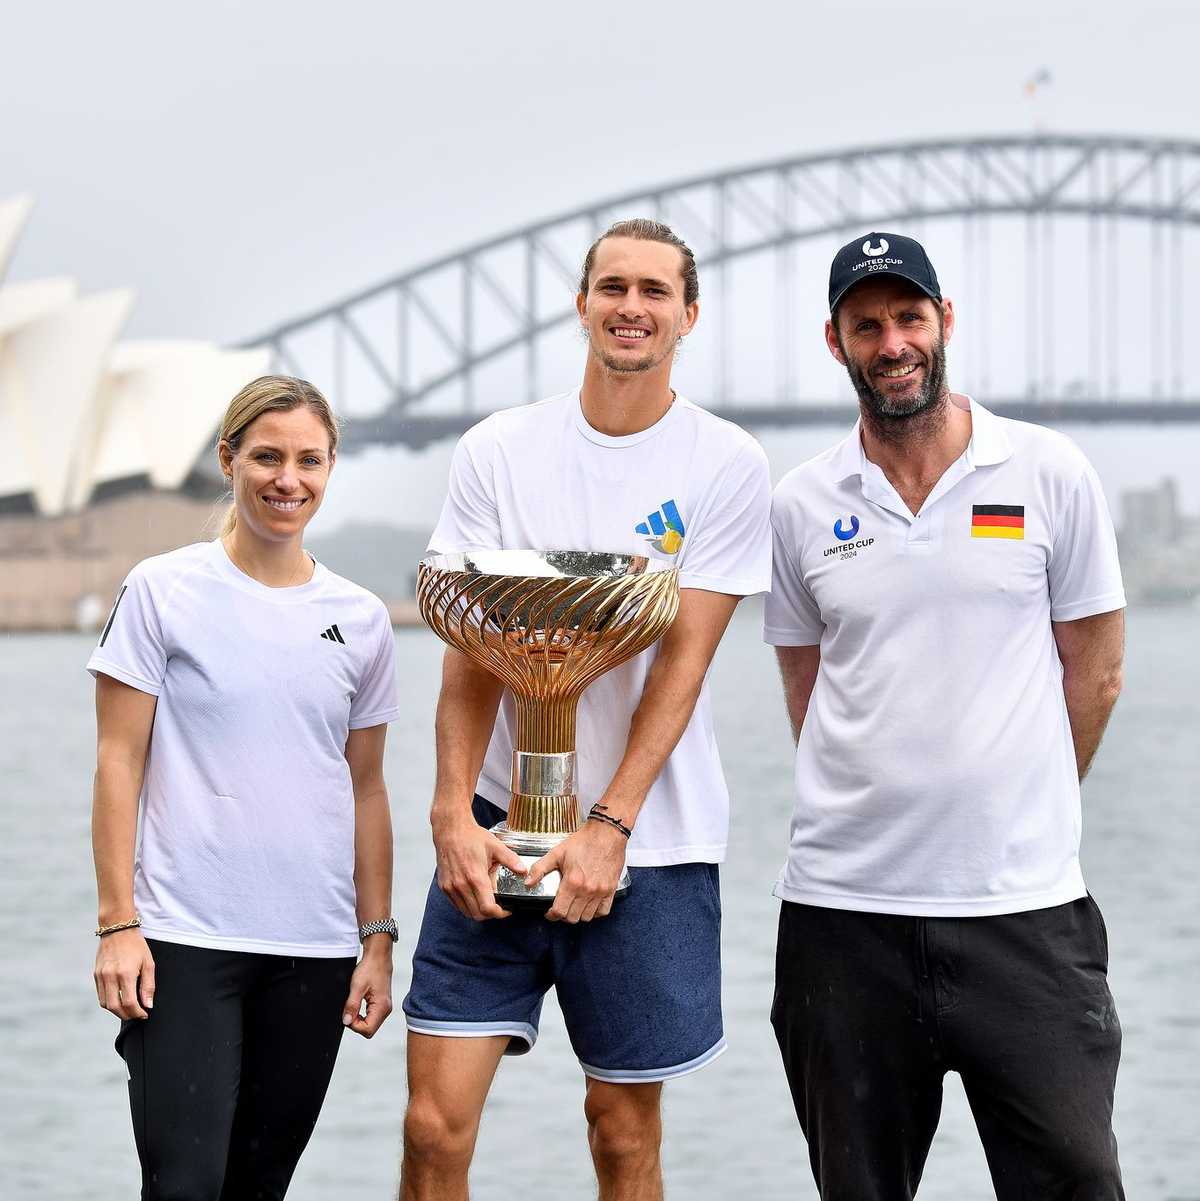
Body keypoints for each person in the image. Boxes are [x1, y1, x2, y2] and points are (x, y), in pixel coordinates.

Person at [400, 219, 772, 1200]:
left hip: (648, 842)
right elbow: (474, 652)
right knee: (433, 1128)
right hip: (495, 828)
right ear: (581, 304)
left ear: (689, 315)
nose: (631, 307)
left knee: (620, 1131)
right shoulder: (499, 450)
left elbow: (680, 666)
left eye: (655, 291)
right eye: (613, 286)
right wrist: (449, 816)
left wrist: (608, 825)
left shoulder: (725, 462)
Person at [764, 231, 1127, 1200]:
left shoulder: (1049, 473)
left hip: (1024, 912)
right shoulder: (801, 504)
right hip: (845, 919)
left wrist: (1014, 792)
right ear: (835, 342)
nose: (892, 343)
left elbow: (1094, 676)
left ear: (946, 322)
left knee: (1080, 1179)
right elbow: (809, 689)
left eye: (909, 317)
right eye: (866, 324)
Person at [89, 374, 399, 1201]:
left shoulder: (362, 617)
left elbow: (365, 787)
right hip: (183, 939)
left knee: (259, 1186)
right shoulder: (162, 589)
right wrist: (118, 922)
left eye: (308, 459)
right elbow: (118, 759)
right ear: (228, 460)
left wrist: (376, 938)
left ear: (331, 468)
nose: (286, 479)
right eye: (266, 456)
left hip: (314, 946)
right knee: (184, 1186)